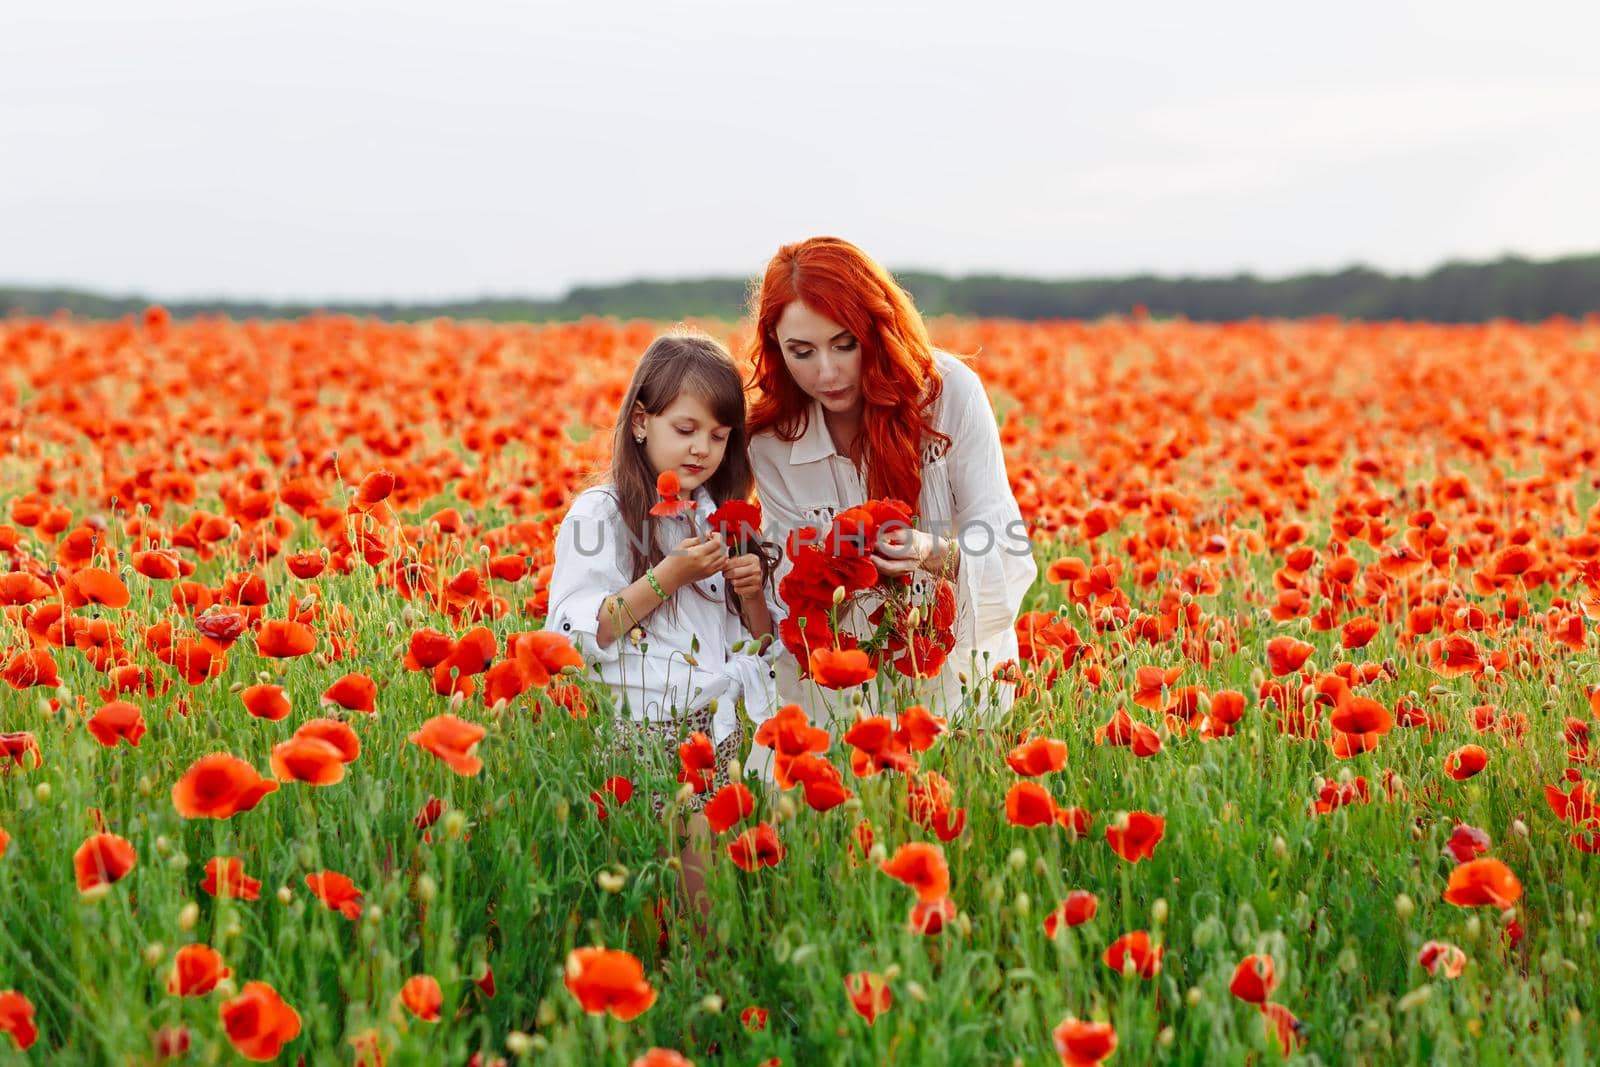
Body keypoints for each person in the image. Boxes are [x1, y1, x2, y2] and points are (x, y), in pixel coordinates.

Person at [744, 236, 1038, 734]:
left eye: (845, 344)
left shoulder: (948, 393)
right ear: (776, 348)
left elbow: (1006, 545)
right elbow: (791, 588)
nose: (827, 372)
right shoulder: (772, 440)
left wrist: (931, 551)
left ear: (877, 330)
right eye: (802, 351)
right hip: (835, 684)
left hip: (953, 675)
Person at [543, 330, 784, 912]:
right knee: (681, 901)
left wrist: (752, 596)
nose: (701, 448)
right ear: (641, 421)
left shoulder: (717, 517)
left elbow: (760, 644)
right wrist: (667, 577)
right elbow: (577, 632)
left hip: (723, 736)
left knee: (729, 898)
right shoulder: (601, 514)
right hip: (644, 737)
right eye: (686, 429)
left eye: (719, 436)